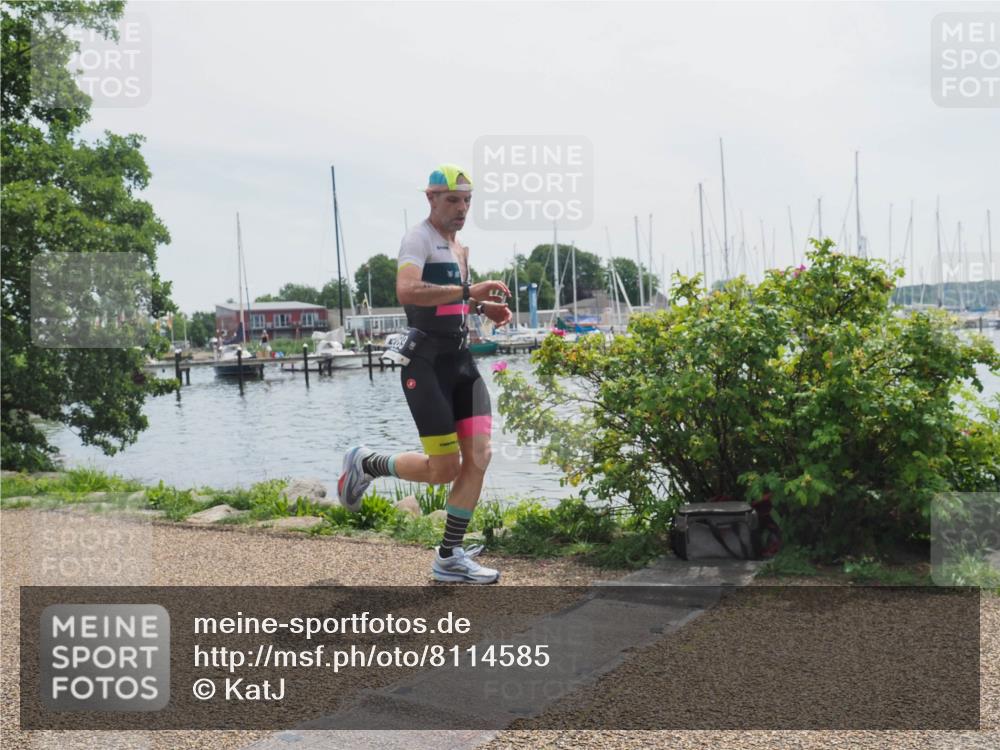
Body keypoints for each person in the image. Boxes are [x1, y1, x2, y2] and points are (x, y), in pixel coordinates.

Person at [338, 164, 512, 583]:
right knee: (444, 469)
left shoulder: (460, 249)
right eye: (452, 199)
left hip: (461, 362)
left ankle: (449, 556)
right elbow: (409, 290)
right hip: (425, 365)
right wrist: (470, 292)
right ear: (431, 199)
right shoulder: (418, 238)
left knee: (480, 456)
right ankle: (368, 463)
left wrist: (481, 308)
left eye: (467, 200)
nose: (461, 208)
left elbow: (452, 300)